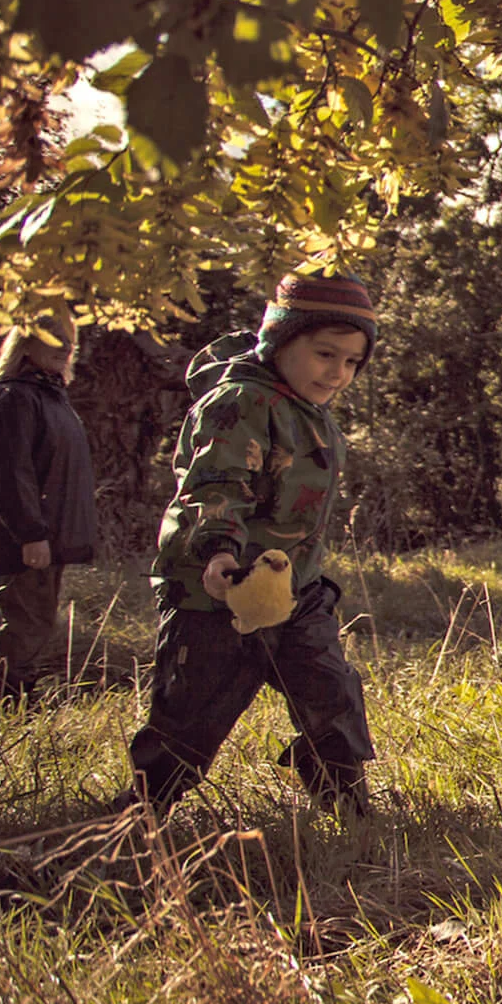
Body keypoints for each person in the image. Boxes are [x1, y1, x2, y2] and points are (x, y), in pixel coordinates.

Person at [124, 271, 380, 817]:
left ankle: (348, 805)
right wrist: (218, 551)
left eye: (352, 362)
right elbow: (215, 485)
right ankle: (141, 814)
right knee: (192, 717)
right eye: (325, 354)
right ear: (281, 341)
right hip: (217, 591)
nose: (338, 372)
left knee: (332, 693)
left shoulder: (308, 408)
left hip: (295, 590)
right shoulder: (240, 401)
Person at [0, 311, 96, 701]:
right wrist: (30, 534)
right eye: (54, 338)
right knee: (25, 627)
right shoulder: (14, 397)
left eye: (69, 339)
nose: (65, 347)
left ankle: (10, 701)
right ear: (26, 344)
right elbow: (8, 474)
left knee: (34, 624)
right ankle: (6, 705)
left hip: (46, 537)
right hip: (27, 540)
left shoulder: (49, 396)